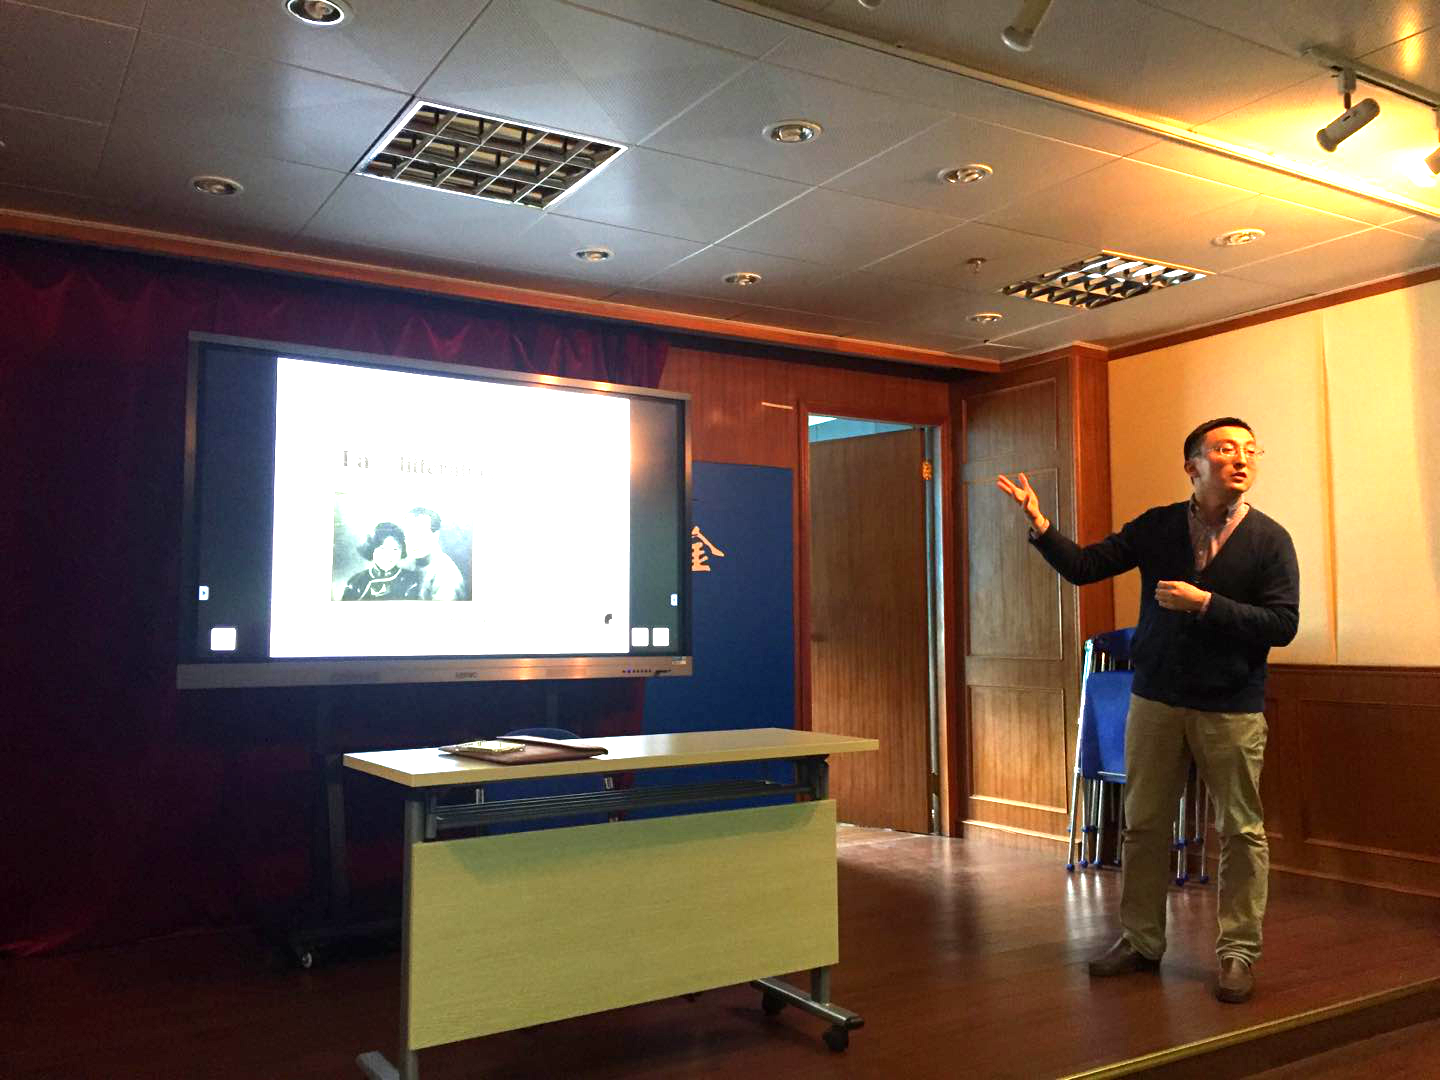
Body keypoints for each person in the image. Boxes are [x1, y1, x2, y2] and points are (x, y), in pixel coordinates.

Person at [996, 417, 1299, 1005]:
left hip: (1231, 707)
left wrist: (1206, 602)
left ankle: (1238, 953)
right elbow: (1086, 567)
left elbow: (1283, 624)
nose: (1241, 458)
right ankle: (1141, 941)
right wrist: (1041, 526)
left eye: (1249, 449)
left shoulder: (1270, 540)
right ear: (1193, 466)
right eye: (1225, 449)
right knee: (1144, 825)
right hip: (1155, 699)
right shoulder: (1157, 526)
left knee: (1241, 831)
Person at [341, 522, 422, 601]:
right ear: (372, 549)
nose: (388, 555)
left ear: (402, 552)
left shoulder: (411, 579)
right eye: (382, 548)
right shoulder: (356, 581)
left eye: (395, 549)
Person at [403, 507, 466, 601]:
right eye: (409, 535)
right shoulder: (407, 560)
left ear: (436, 536)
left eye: (421, 535)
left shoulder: (447, 578)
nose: (414, 542)